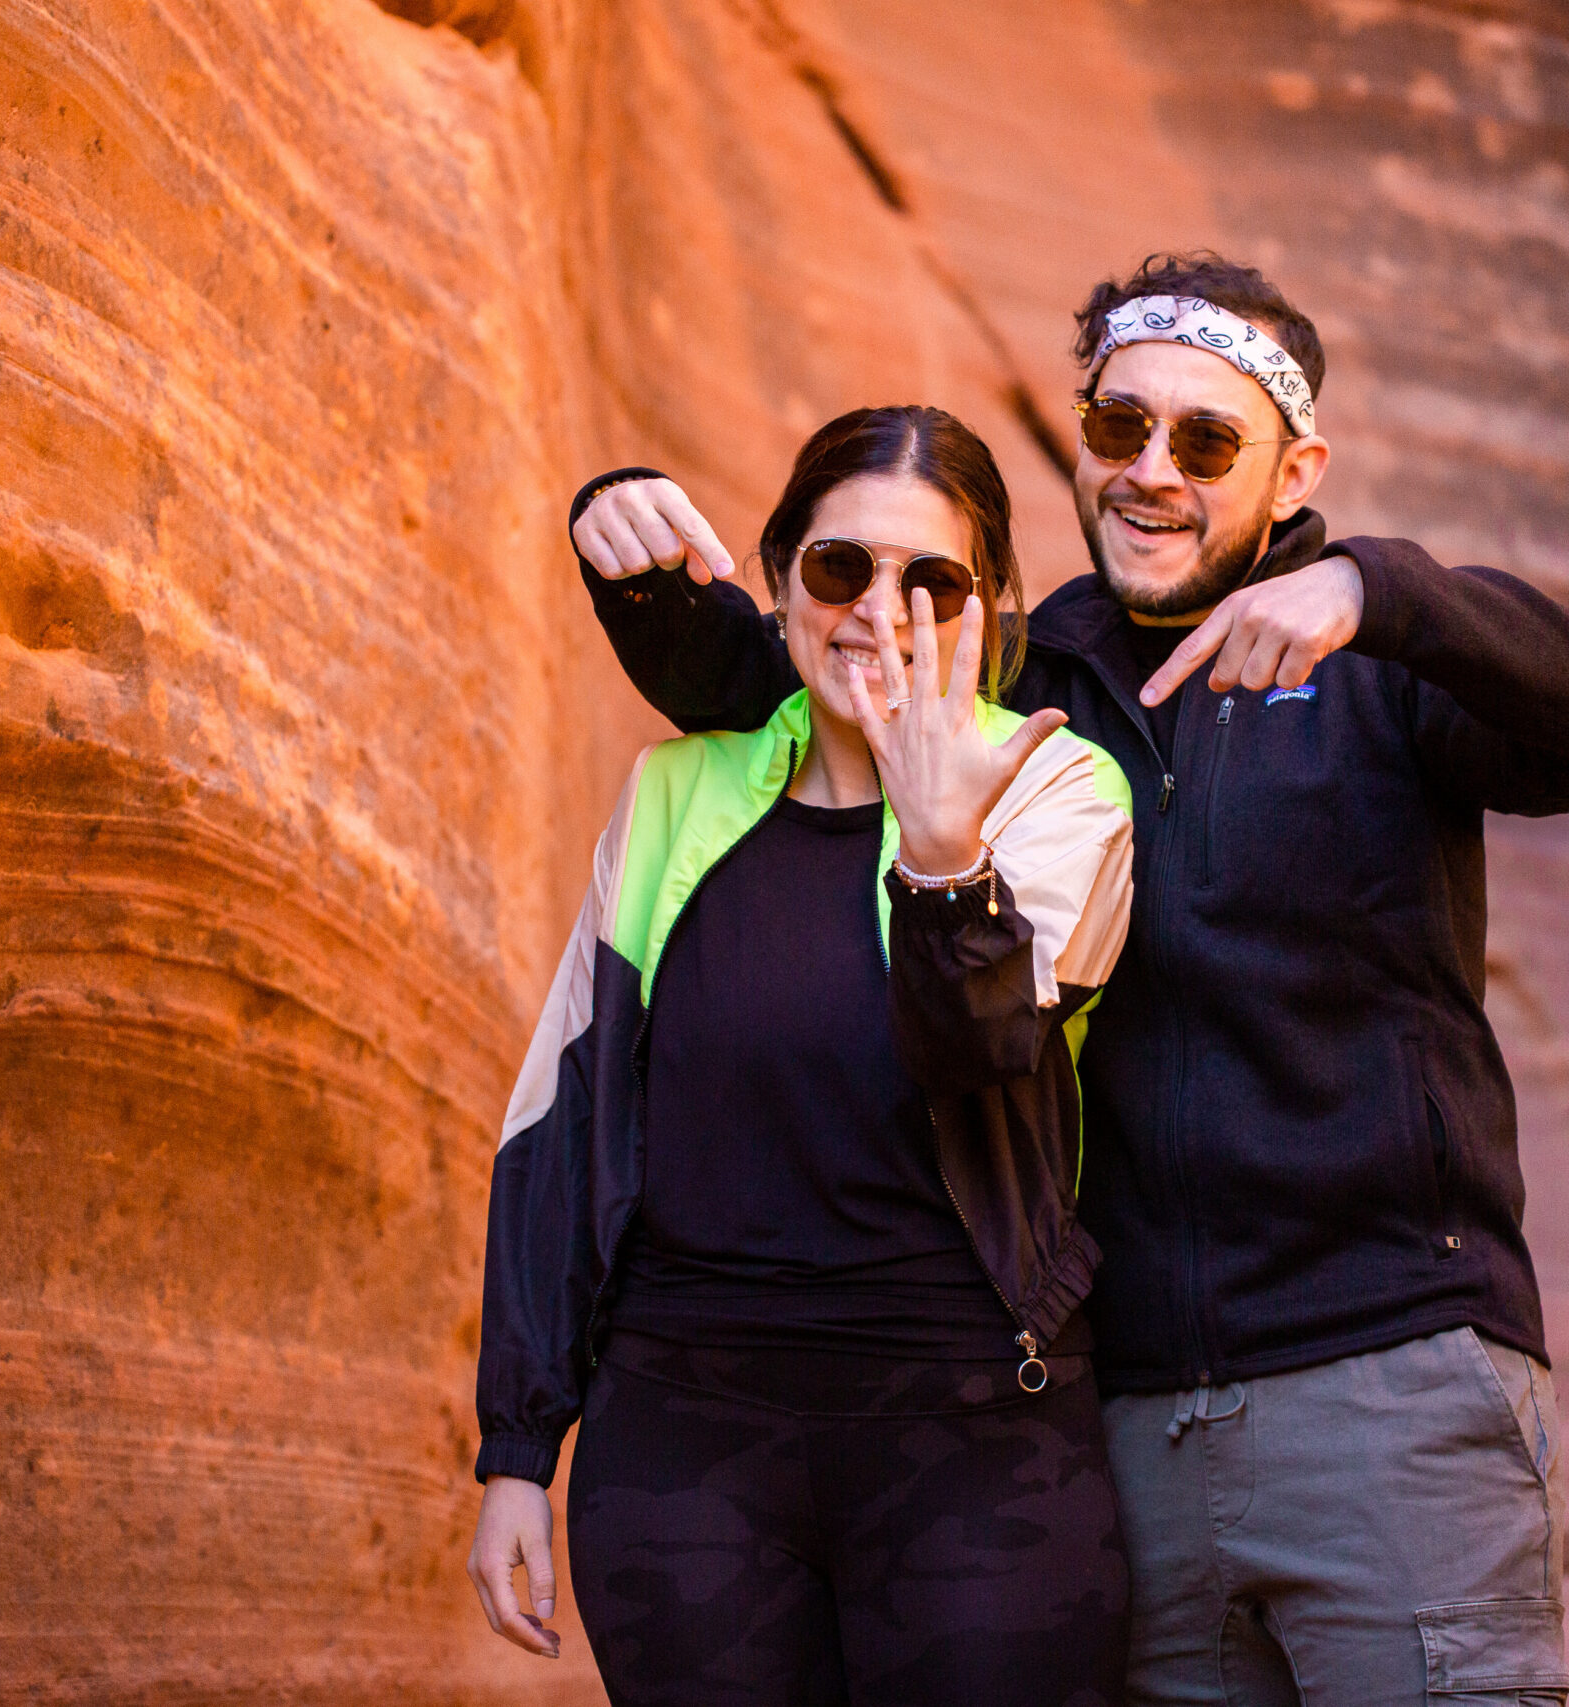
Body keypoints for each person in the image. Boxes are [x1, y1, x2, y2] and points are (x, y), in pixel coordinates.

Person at [571, 253, 1569, 1705]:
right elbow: (793, 672)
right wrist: (625, 537)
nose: (1153, 471)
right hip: (1133, 1421)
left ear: (1295, 473)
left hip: (1388, 1384)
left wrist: (1383, 592)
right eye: (1117, 427)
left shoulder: (1382, 665)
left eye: (1207, 442)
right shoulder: (1027, 673)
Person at [467, 405, 1139, 1706]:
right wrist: (515, 1447)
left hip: (973, 1455)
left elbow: (984, 1046)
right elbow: (561, 1118)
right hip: (685, 1457)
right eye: (841, 569)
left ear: (991, 608)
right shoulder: (677, 795)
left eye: (932, 581)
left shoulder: (1060, 794)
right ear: (777, 581)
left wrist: (947, 864)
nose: (881, 611)